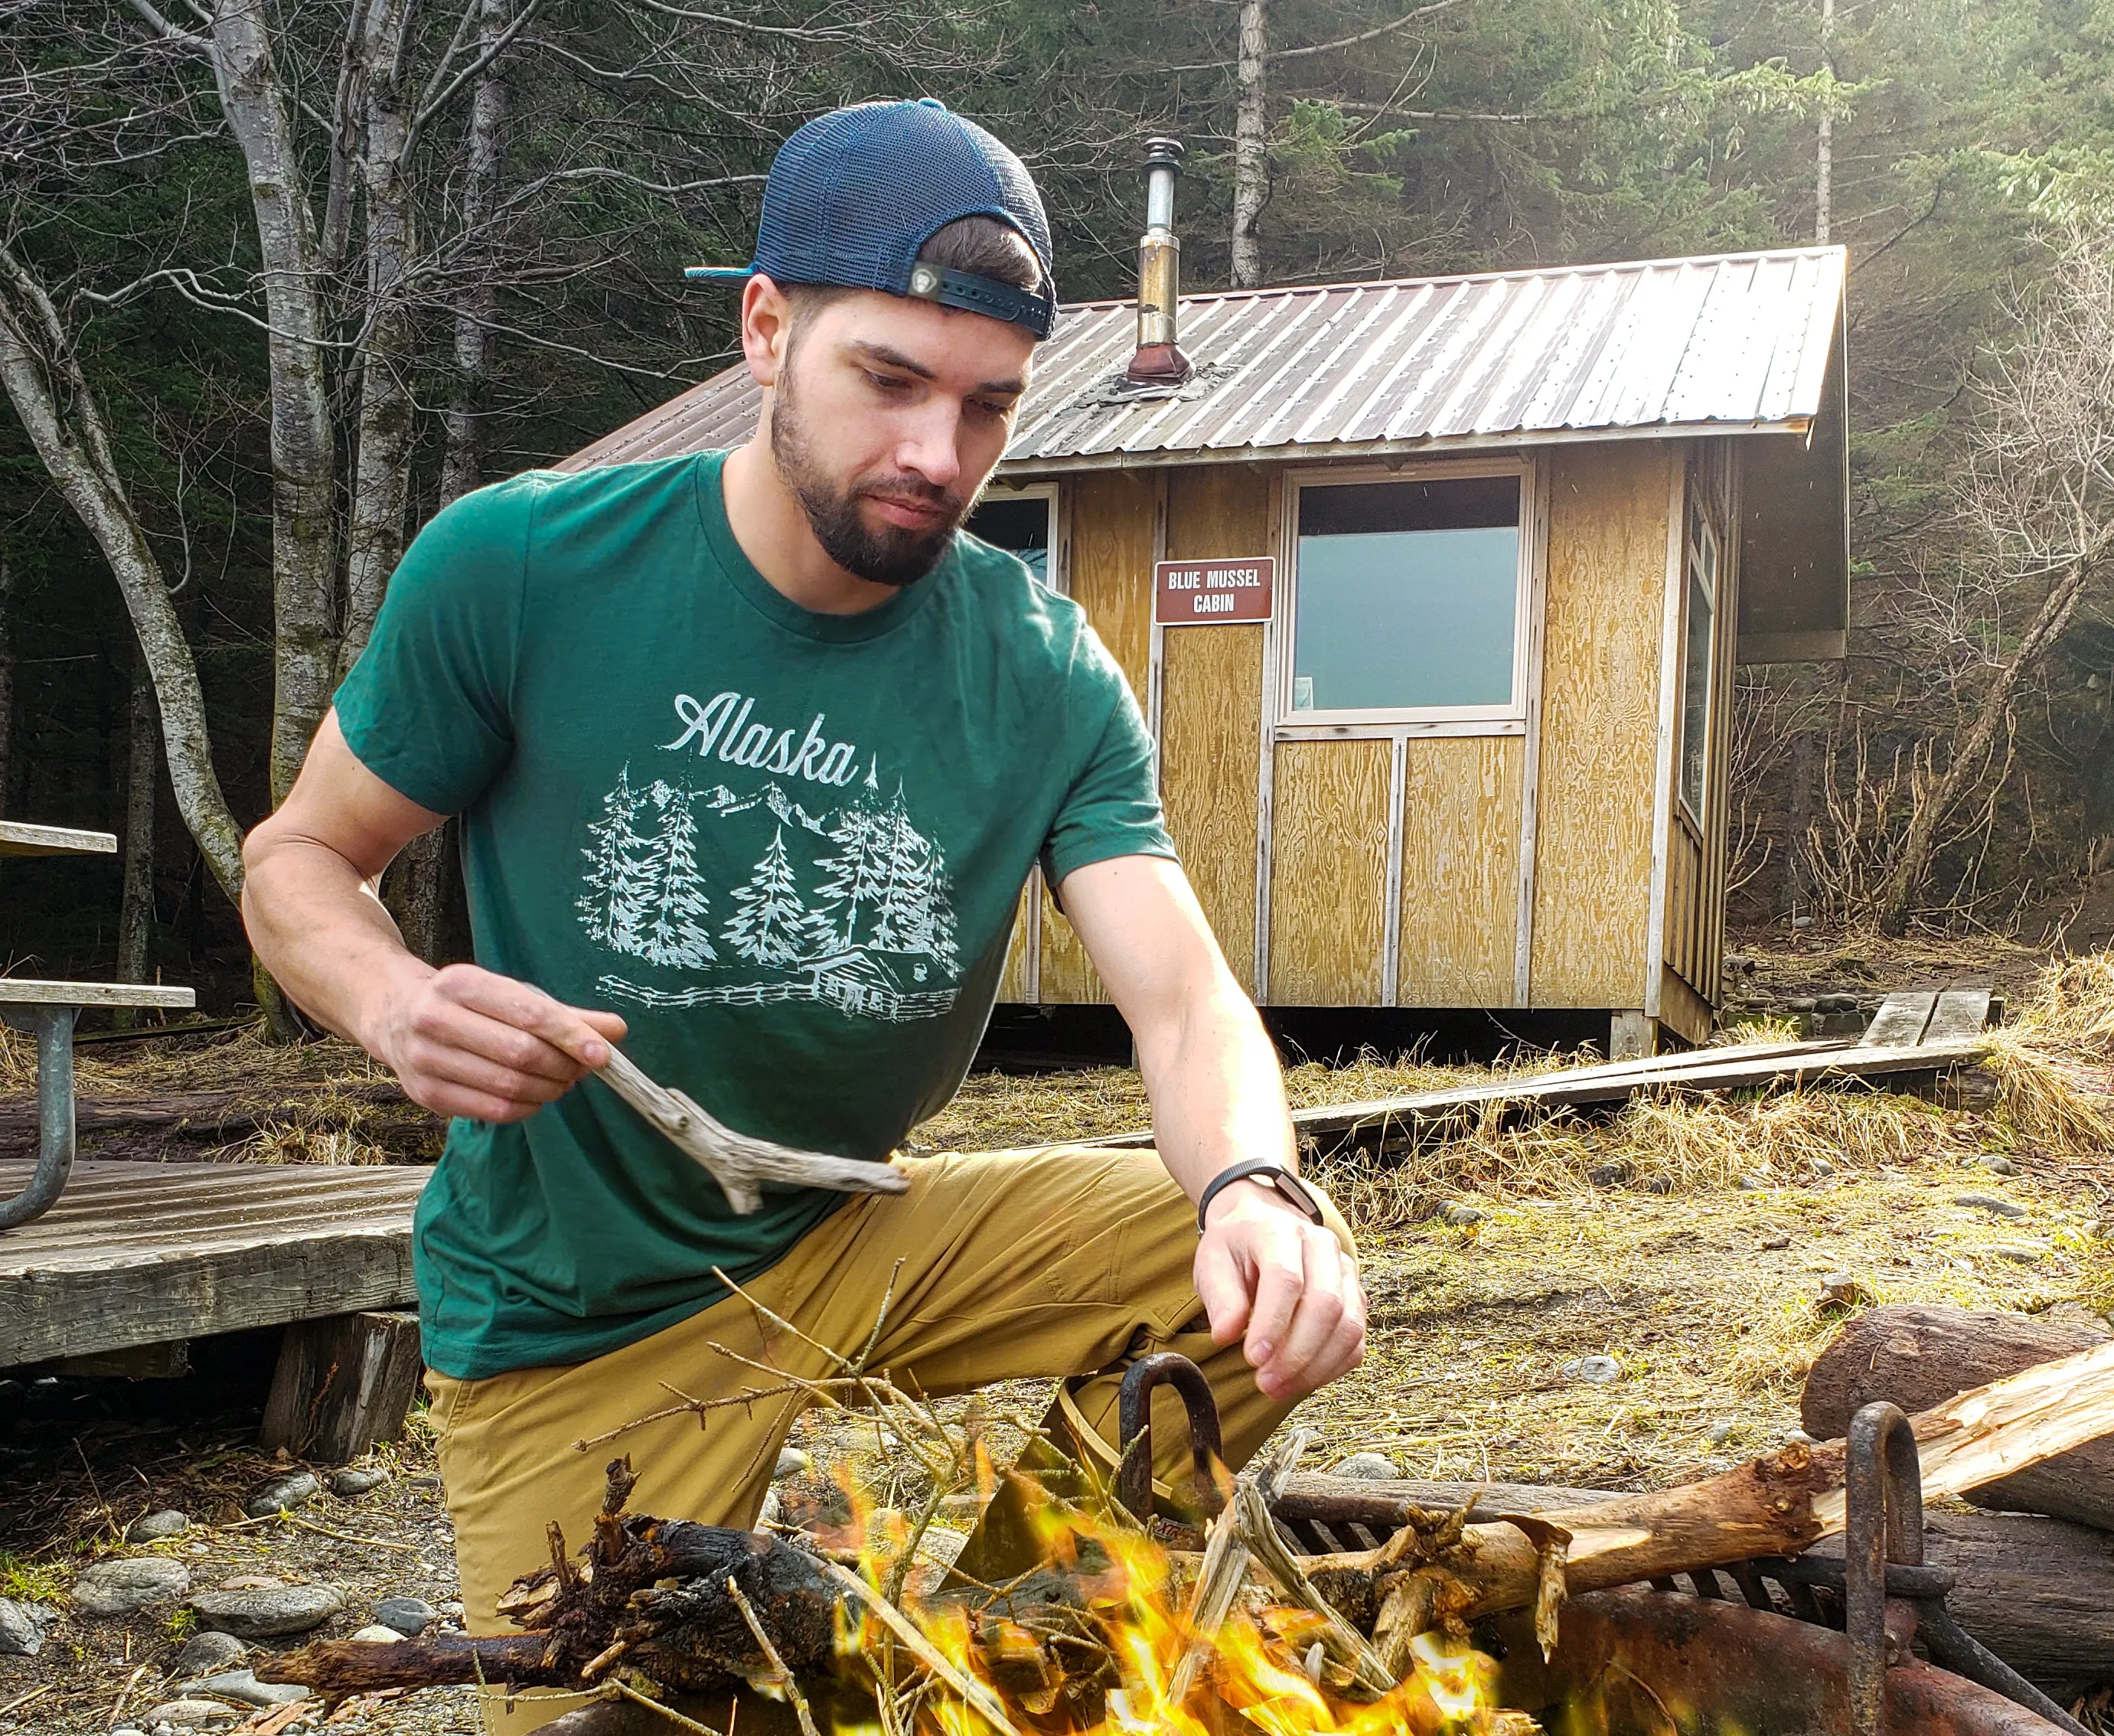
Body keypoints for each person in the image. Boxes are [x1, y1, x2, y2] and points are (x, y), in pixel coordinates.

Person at [239, 99, 1365, 1734]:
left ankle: (981, 1657)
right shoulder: (527, 568)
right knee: (607, 1721)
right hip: (584, 1314)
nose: (938, 455)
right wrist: (395, 1001)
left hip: (855, 1226)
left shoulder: (1041, 669)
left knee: (1266, 1276)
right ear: (766, 329)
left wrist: (1256, 1181)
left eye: (988, 407)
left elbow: (1183, 1001)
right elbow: (298, 861)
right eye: (889, 383)